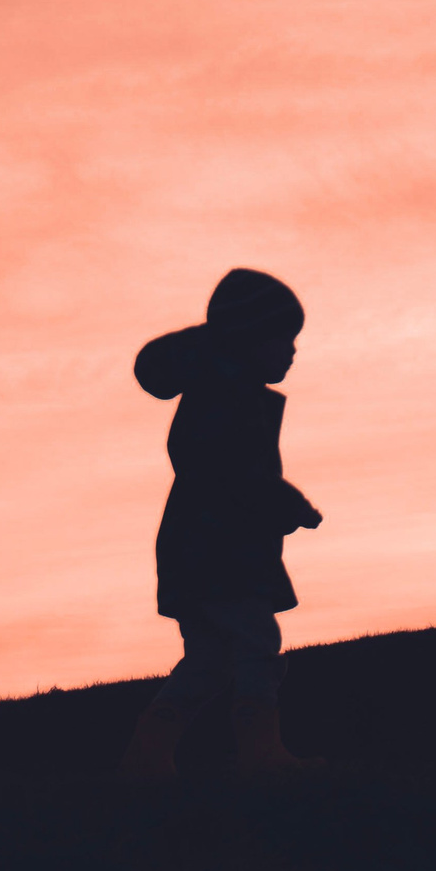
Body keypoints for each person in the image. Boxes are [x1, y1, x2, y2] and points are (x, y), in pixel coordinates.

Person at [118, 268, 324, 779]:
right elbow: (229, 472)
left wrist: (278, 501)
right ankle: (260, 752)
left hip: (202, 548)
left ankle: (149, 752)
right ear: (250, 339)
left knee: (210, 658)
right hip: (219, 551)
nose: (291, 352)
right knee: (255, 644)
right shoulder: (225, 400)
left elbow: (232, 473)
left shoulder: (225, 394)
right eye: (283, 339)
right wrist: (284, 502)